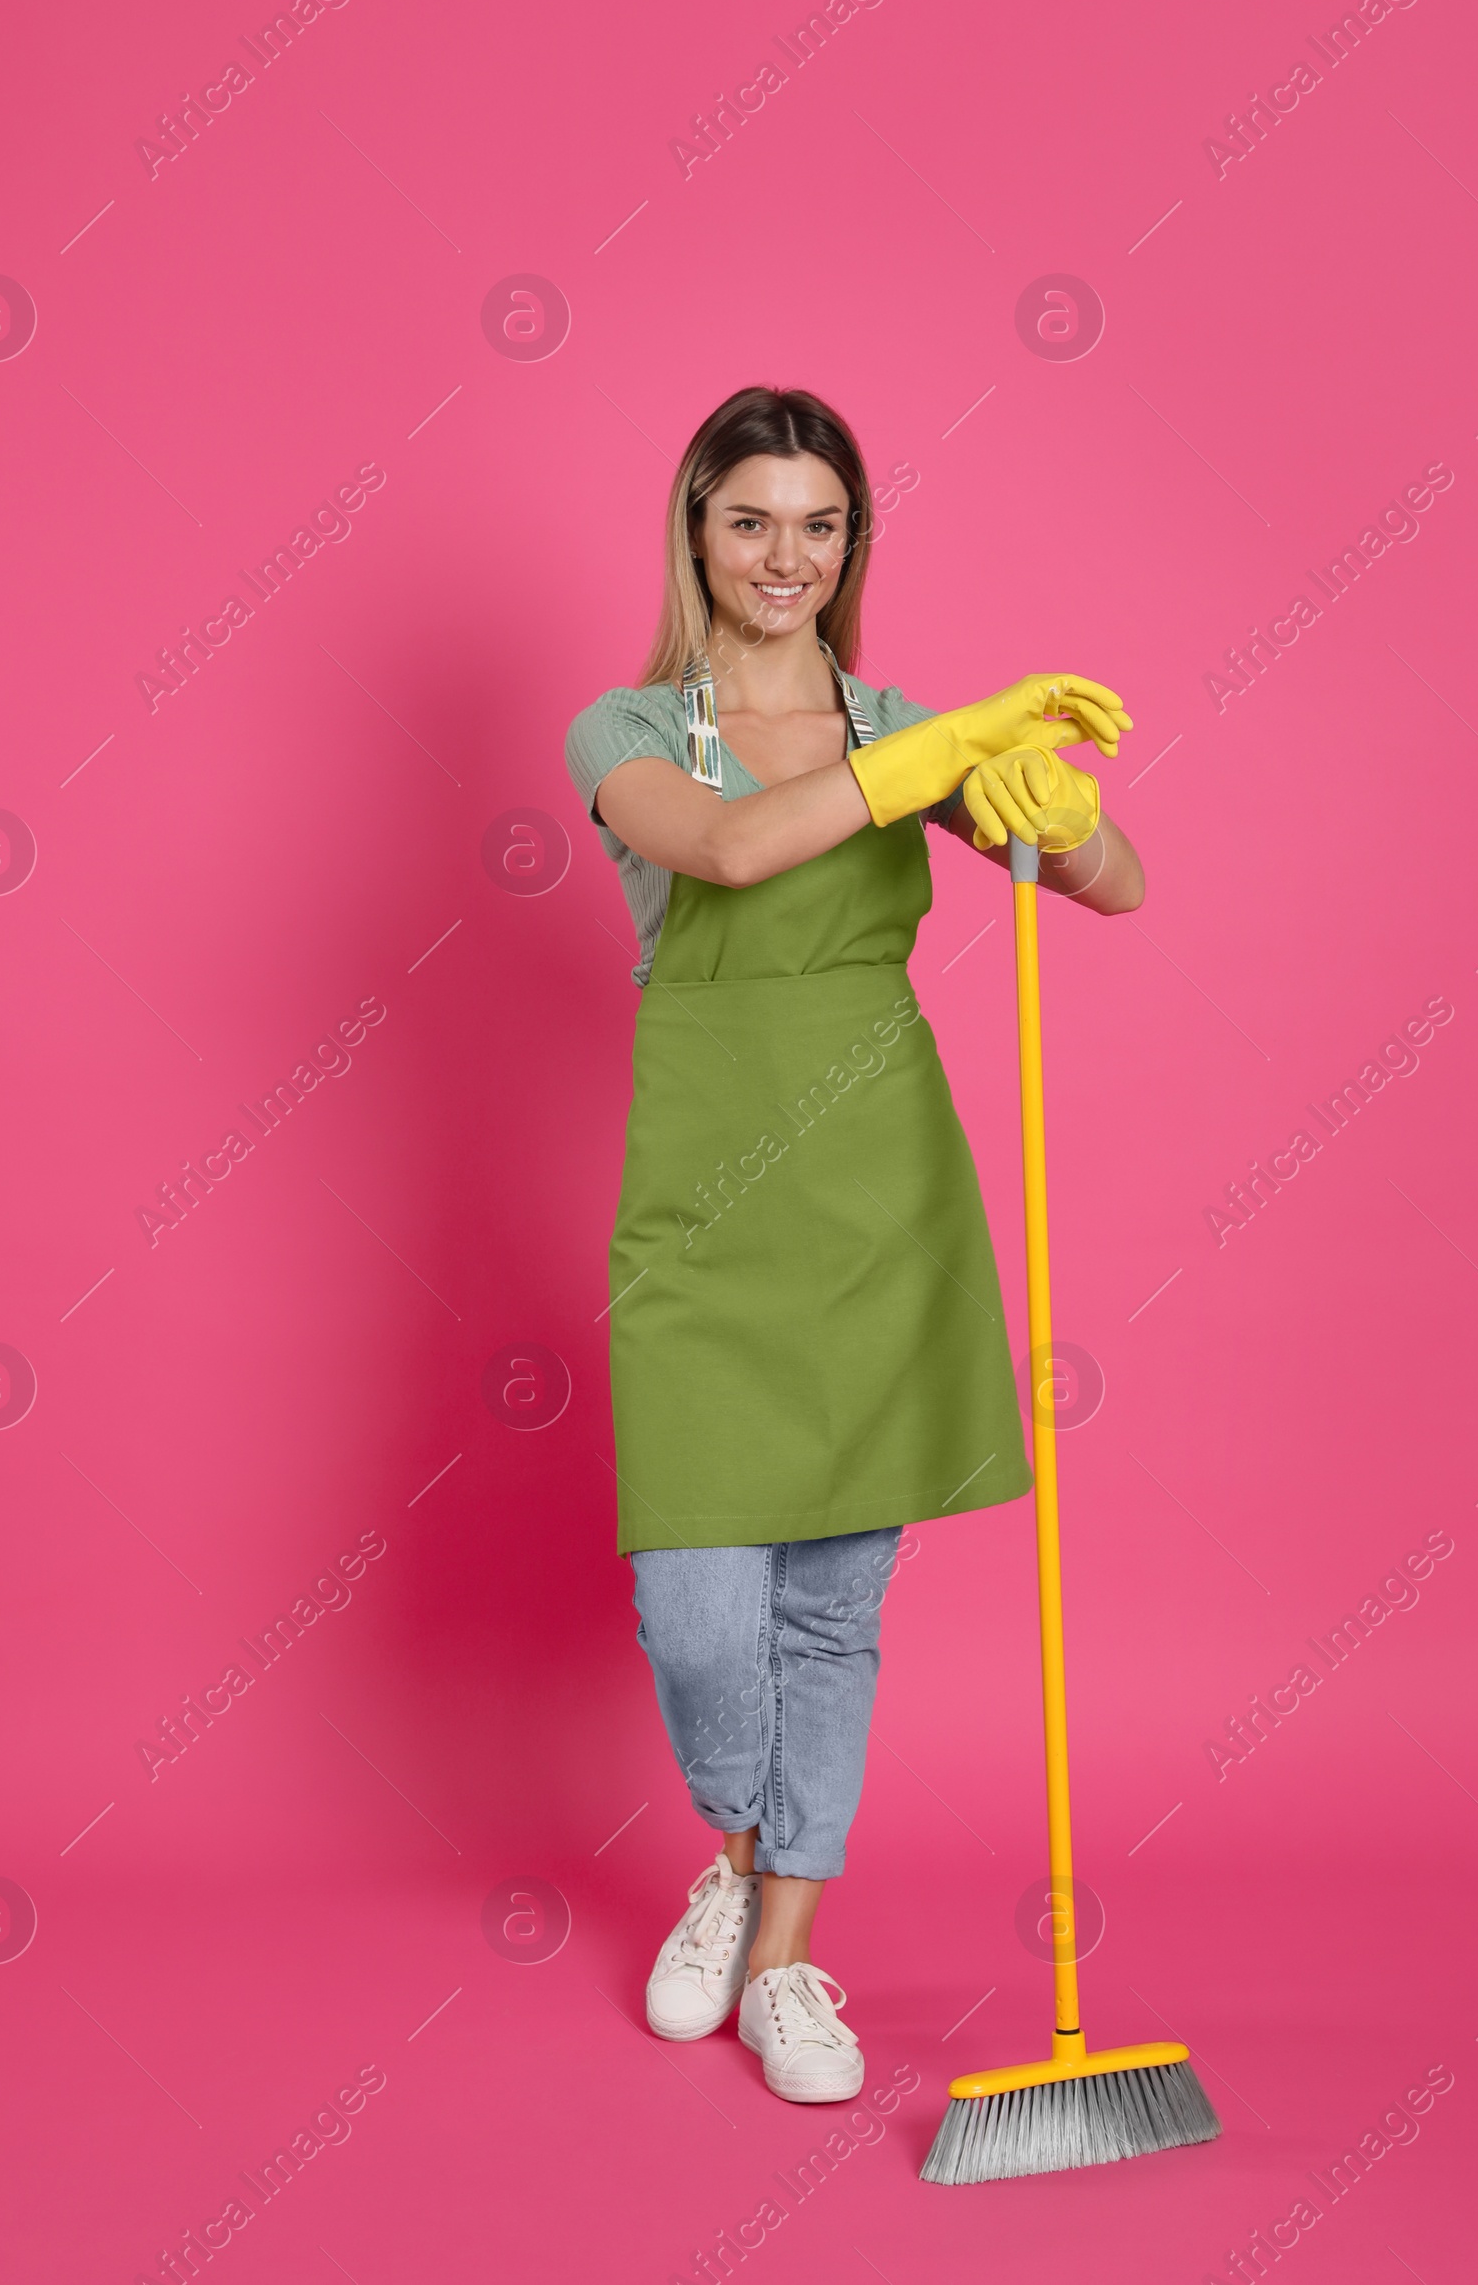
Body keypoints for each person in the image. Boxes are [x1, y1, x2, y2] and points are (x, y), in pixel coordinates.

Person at [563, 385, 1143, 2105]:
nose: (785, 557)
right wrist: (930, 753)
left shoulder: (908, 725)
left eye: (820, 525)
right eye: (752, 520)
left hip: (881, 1201)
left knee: (830, 1614)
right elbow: (735, 850)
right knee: (698, 1614)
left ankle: (790, 1959)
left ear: (852, 544)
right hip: (703, 1211)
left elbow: (1112, 884)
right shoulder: (624, 731)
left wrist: (1042, 796)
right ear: (696, 533)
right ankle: (733, 1868)